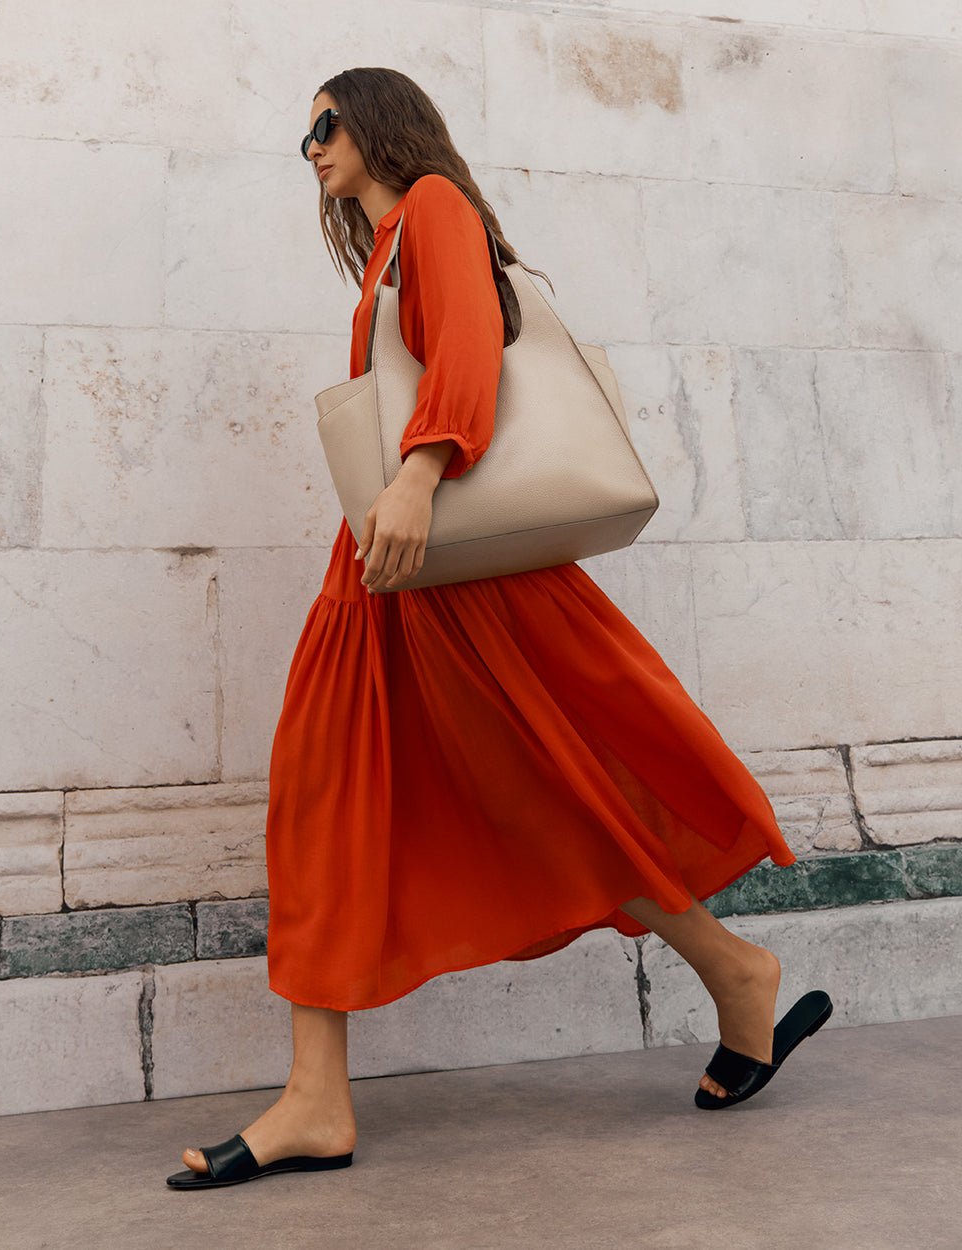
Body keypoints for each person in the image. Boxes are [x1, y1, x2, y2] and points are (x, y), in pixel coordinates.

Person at [166, 67, 831, 1191]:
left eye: (325, 123)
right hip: (388, 567)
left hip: (436, 559)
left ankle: (734, 969)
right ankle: (320, 1095)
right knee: (344, 794)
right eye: (306, 129)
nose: (310, 145)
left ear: (381, 125)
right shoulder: (385, 244)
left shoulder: (432, 206)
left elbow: (468, 345)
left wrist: (421, 474)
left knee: (543, 794)